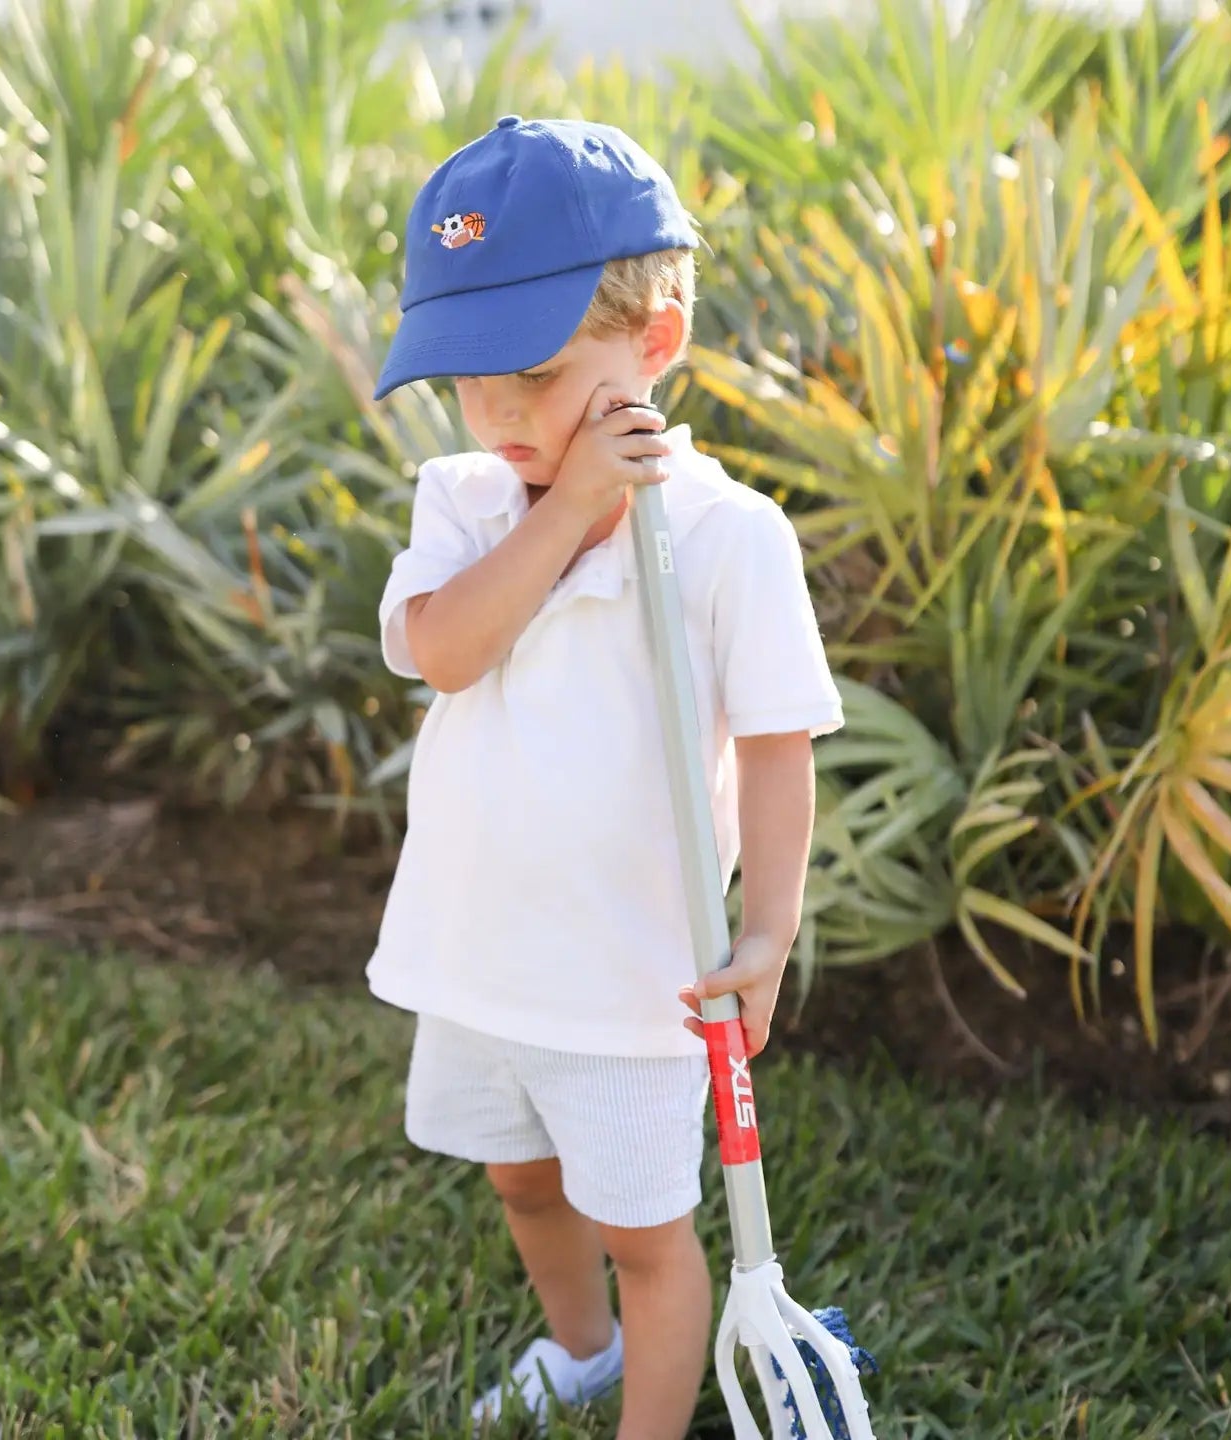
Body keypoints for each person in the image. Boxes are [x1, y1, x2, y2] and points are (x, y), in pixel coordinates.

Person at [369, 115, 843, 1440]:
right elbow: (450, 653)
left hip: (636, 981)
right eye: (470, 378)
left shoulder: (729, 536)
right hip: (479, 958)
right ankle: (577, 1347)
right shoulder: (466, 503)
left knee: (648, 1233)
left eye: (535, 369)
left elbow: (777, 739)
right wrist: (571, 508)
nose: (504, 413)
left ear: (655, 342)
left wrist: (769, 925)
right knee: (522, 1182)